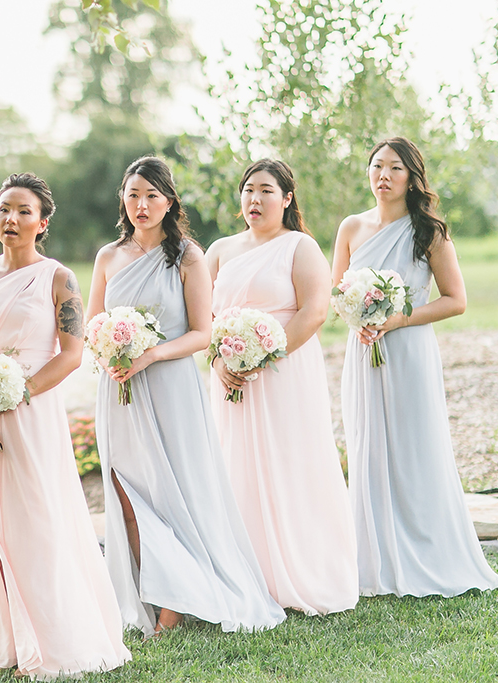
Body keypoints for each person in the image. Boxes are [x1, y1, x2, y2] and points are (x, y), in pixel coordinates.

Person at [87, 156, 285, 636]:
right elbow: (92, 325)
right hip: (118, 389)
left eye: (152, 195)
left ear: (169, 201)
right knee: (125, 493)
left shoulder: (188, 256)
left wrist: (149, 354)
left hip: (170, 386)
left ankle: (177, 601)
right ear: (123, 200)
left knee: (174, 492)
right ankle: (154, 594)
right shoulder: (108, 257)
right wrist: (108, 352)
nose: (141, 205)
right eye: (133, 195)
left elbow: (203, 332)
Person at [0, 173, 130, 678]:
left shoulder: (58, 279)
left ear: (42, 221)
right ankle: (4, 640)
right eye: (4, 209)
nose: (11, 219)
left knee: (37, 519)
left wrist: (17, 391)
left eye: (23, 211)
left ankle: (56, 639)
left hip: (31, 412)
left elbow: (72, 355)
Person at [331, 137, 498, 597]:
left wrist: (397, 318)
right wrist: (358, 317)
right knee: (368, 446)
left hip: (408, 352)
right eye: (377, 166)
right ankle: (374, 557)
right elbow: (336, 295)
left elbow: (457, 301)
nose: (383, 175)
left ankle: (425, 551)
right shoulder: (350, 228)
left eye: (395, 168)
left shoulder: (428, 230)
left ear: (412, 178)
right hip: (363, 352)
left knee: (412, 449)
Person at [206, 159, 359, 616]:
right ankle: (244, 573)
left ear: (287, 198)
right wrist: (219, 360)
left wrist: (261, 358)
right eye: (248, 189)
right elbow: (202, 319)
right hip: (228, 374)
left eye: (266, 191)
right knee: (236, 467)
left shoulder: (300, 246)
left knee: (289, 462)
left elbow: (314, 311)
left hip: (283, 372)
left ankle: (302, 570)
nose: (255, 199)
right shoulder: (218, 250)